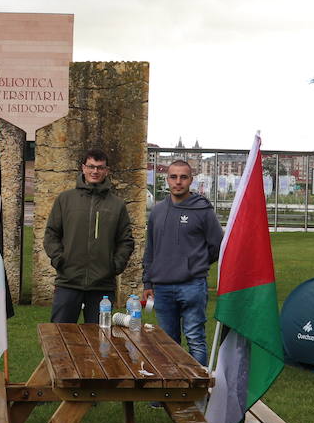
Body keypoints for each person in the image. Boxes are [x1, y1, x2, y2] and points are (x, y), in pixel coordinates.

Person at [141, 160, 223, 365]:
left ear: (191, 180)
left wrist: (195, 264)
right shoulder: (157, 212)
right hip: (162, 287)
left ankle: (197, 395)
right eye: (173, 177)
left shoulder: (203, 210)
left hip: (192, 286)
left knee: (195, 339)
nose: (178, 182)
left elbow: (217, 246)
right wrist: (148, 282)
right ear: (167, 179)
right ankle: (171, 393)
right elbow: (151, 249)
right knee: (167, 343)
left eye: (183, 177)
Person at [44, 148, 135, 324]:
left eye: (100, 167)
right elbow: (51, 234)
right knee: (60, 337)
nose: (95, 171)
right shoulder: (65, 199)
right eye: (91, 166)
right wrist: (59, 259)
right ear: (83, 168)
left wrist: (114, 266)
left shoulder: (117, 205)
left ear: (106, 170)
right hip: (68, 281)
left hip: (102, 285)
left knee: (100, 341)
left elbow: (126, 241)